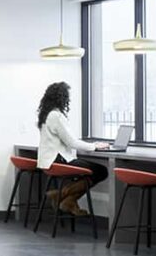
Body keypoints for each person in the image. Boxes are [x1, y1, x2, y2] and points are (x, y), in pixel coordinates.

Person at [36, 81, 109, 215]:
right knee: (101, 171)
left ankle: (68, 200)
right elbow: (72, 142)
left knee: (93, 171)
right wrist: (94, 146)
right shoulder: (56, 116)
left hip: (49, 161)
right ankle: (61, 195)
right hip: (59, 160)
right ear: (62, 98)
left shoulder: (45, 114)